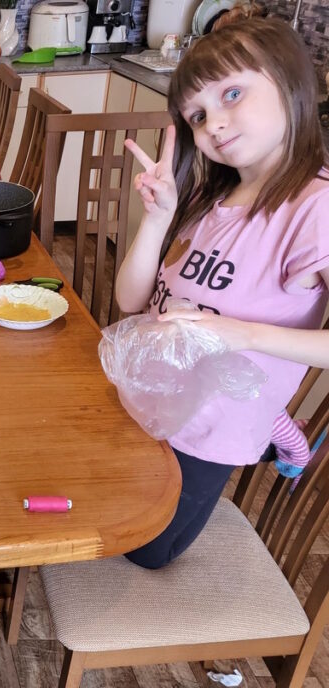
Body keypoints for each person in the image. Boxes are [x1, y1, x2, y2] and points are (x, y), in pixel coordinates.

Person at [115, 16, 329, 569]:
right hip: (152, 397)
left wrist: (241, 334)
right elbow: (131, 302)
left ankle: (274, 425)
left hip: (211, 427)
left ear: (289, 81)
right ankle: (277, 423)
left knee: (145, 550)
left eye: (232, 94)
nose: (213, 124)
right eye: (197, 116)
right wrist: (156, 219)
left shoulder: (315, 207)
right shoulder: (211, 197)